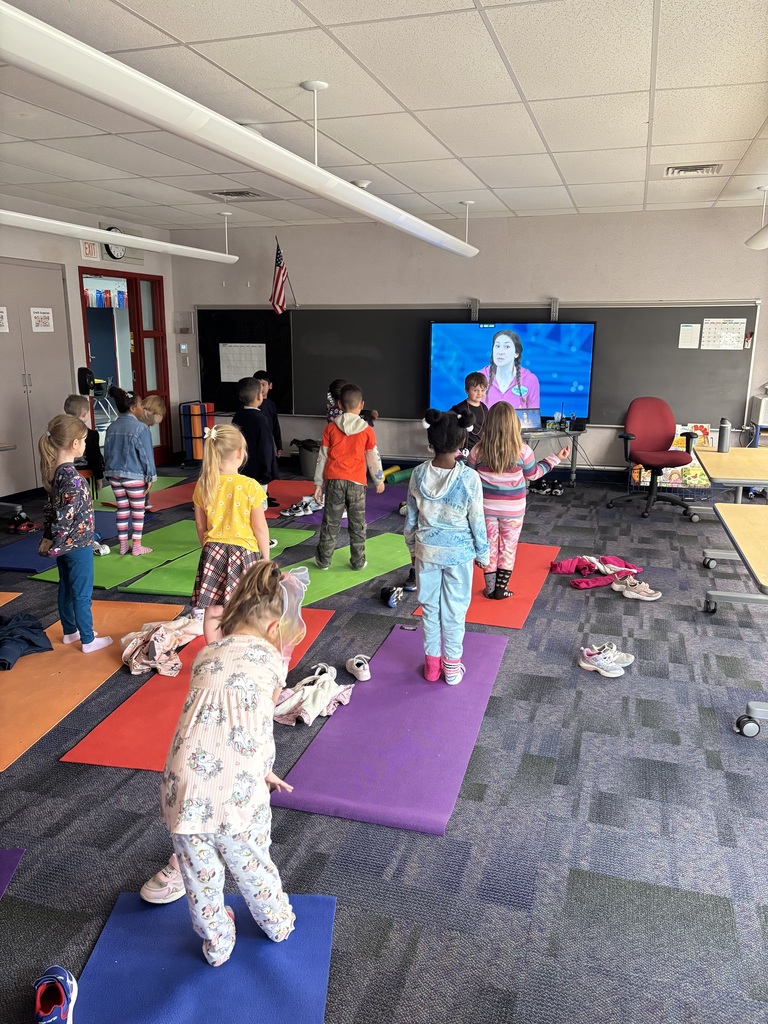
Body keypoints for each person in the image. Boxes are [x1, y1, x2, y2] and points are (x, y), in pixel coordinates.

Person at [160, 560, 309, 967]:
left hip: (182, 787)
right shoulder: (272, 663)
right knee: (252, 862)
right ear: (275, 630)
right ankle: (277, 923)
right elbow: (254, 725)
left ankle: (218, 944)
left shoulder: (205, 654)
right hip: (236, 793)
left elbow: (219, 715)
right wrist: (264, 770)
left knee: (200, 879)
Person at [403, 408, 489, 685]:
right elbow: (477, 521)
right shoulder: (469, 478)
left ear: (431, 441)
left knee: (429, 608)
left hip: (426, 550)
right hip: (459, 554)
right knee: (454, 611)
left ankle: (431, 667)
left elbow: (411, 520)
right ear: (463, 441)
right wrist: (484, 554)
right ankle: (451, 669)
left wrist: (412, 551)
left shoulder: (417, 474)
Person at [468, 402, 569, 599]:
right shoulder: (523, 451)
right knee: (508, 547)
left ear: (488, 424)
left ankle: (489, 589)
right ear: (514, 425)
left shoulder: (477, 451)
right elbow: (534, 474)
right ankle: (500, 589)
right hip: (513, 511)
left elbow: (469, 476)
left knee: (488, 547)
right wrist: (555, 458)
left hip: (485, 510)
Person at [38, 414, 113, 653]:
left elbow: (52, 510)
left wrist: (50, 537)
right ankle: (88, 640)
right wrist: (58, 540)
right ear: (74, 445)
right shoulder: (73, 479)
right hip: (77, 545)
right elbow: (64, 516)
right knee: (82, 593)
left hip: (66, 546)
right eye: (82, 439)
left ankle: (71, 632)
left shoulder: (58, 473)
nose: (84, 443)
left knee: (66, 588)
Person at [192, 424, 271, 644]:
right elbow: (260, 528)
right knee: (245, 606)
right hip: (244, 553)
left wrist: (208, 548)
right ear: (239, 453)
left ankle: (212, 652)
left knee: (214, 609)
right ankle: (240, 650)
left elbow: (200, 526)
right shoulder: (250, 486)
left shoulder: (203, 484)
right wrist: (265, 558)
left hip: (213, 551)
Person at [313, 383, 384, 571]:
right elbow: (373, 457)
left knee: (331, 522)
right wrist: (379, 479)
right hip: (357, 484)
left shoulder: (330, 429)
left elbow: (322, 457)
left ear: (339, 404)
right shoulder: (368, 430)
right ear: (361, 405)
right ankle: (358, 561)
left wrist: (318, 484)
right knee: (358, 524)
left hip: (335, 482)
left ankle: (323, 561)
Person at [103, 387, 156, 556]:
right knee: (138, 510)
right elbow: (146, 455)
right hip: (134, 475)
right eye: (141, 405)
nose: (143, 408)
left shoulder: (111, 427)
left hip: (114, 475)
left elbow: (108, 451)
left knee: (122, 509)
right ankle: (137, 546)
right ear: (133, 408)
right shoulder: (141, 428)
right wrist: (150, 476)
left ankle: (123, 545)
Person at [232, 377, 279, 493]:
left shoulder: (237, 416)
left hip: (240, 468)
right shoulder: (261, 419)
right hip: (259, 472)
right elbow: (265, 448)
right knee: (258, 503)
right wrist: (267, 472)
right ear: (259, 396)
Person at [481, 330, 540, 412]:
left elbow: (533, 420)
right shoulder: (479, 376)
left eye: (507, 347)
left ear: (516, 353)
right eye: (497, 346)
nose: (500, 352)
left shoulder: (530, 379)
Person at [63, 394, 104, 495]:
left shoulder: (62, 433)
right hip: (86, 476)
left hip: (66, 475)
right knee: (87, 504)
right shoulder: (90, 434)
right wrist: (99, 477)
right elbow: (95, 457)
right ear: (85, 413)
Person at [450, 372, 489, 453]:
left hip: (480, 451)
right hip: (463, 452)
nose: (479, 393)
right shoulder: (459, 409)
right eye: (475, 390)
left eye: (483, 390)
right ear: (467, 390)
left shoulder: (484, 408)